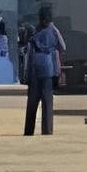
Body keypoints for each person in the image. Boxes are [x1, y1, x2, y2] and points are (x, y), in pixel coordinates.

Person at [23, 8, 65, 137]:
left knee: (32, 102)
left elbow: (28, 51)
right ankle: (47, 130)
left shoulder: (34, 31)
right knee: (47, 102)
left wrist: (25, 71)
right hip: (48, 69)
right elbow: (63, 46)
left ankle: (29, 131)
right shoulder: (53, 30)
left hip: (34, 68)